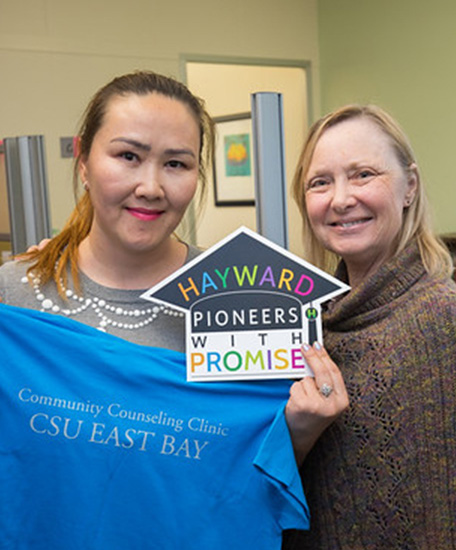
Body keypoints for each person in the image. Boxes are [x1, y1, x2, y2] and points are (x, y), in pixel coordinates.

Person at [0, 71, 348, 544]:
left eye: (176, 164)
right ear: (83, 160)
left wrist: (300, 430)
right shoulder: (12, 300)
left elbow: (248, 479)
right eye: (128, 156)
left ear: (197, 174)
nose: (150, 186)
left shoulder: (246, 299)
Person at [283, 104, 456, 549]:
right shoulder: (307, 323)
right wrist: (298, 434)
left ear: (409, 187)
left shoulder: (444, 321)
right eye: (320, 182)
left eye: (363, 174)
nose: (341, 199)